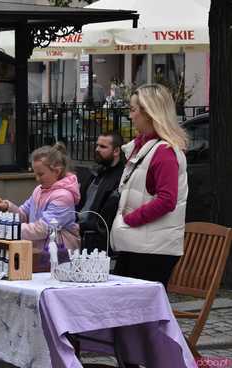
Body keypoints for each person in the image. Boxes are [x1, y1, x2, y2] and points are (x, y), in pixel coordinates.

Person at [111, 83, 188, 289]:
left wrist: (130, 219)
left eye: (133, 109)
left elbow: (167, 200)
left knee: (134, 311)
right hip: (138, 243)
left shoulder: (163, 152)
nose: (130, 116)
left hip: (152, 249)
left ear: (149, 113)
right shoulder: (144, 147)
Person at [0, 143, 81, 251]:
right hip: (40, 250)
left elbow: (43, 229)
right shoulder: (39, 190)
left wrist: (9, 229)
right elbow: (23, 215)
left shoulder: (64, 197)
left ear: (57, 171)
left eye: (41, 174)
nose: (37, 178)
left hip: (61, 252)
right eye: (35, 174)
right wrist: (7, 206)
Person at [76, 132, 124, 253]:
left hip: (98, 243)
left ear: (116, 151)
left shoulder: (121, 178)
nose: (97, 149)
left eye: (103, 147)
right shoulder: (95, 173)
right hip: (79, 234)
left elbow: (107, 218)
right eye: (97, 145)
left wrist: (82, 226)